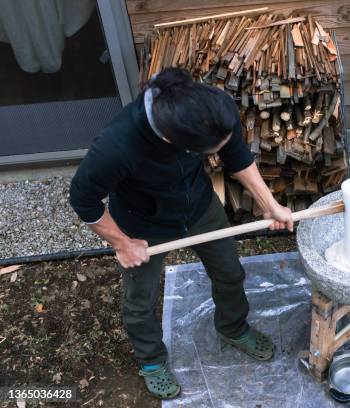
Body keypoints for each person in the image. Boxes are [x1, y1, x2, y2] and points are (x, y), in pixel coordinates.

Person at [69, 68, 293, 399]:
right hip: (141, 225)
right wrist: (122, 242)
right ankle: (151, 360)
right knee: (140, 300)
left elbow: (236, 155)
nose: (220, 148)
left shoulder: (207, 109)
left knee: (230, 273)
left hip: (200, 208)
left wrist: (269, 203)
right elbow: (83, 199)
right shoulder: (118, 146)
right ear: (178, 144)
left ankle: (232, 327)